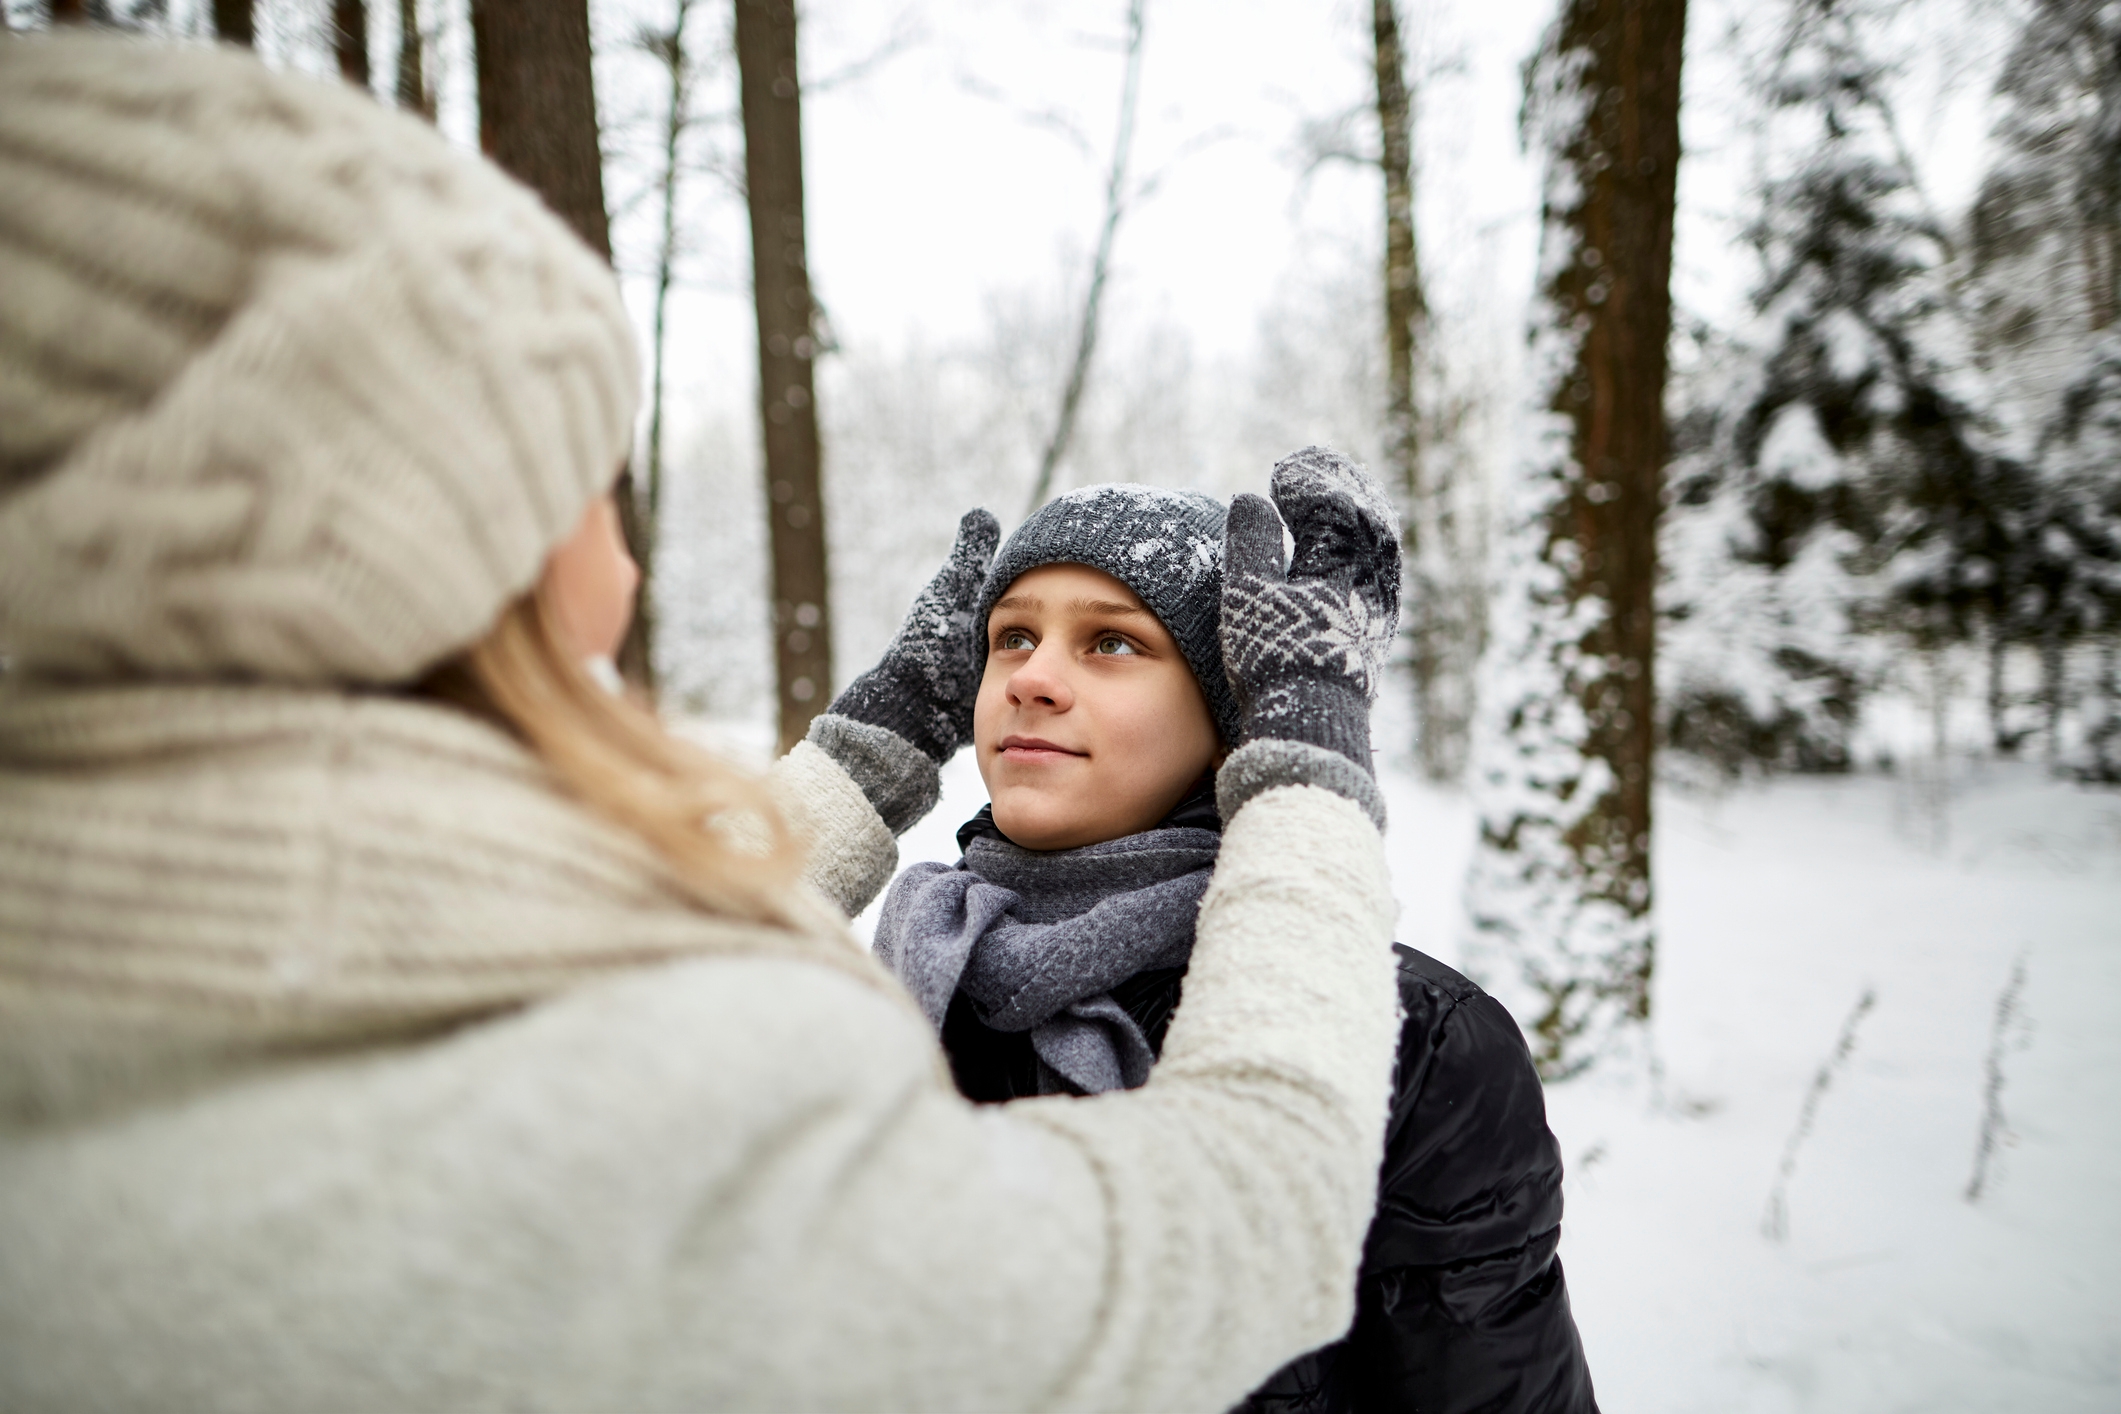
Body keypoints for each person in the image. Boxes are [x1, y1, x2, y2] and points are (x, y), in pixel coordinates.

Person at [0, 35, 1405, 1412]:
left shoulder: (126, 943)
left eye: (1110, 644)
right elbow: (1246, 1208)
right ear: (421, 533)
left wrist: (866, 753)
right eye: (582, 481)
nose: (620, 564)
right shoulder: (720, 1070)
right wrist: (1307, 766)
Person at [862, 461, 1600, 1412]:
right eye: (1011, 637)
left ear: (1229, 714)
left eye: (1111, 644)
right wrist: (856, 760)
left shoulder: (1413, 1040)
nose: (1033, 679)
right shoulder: (895, 997)